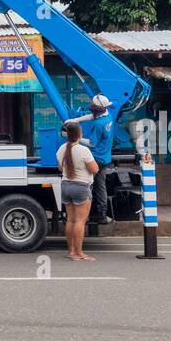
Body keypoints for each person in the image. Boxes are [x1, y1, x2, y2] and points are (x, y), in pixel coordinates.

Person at [56, 120, 99, 262]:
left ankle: (71, 251)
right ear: (79, 134)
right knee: (80, 221)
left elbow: (61, 168)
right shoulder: (83, 150)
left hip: (65, 186)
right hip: (81, 187)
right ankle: (79, 253)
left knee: (71, 220)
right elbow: (94, 169)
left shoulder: (61, 149)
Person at [73, 93, 114, 225]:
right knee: (100, 187)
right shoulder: (108, 116)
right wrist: (77, 120)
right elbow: (92, 116)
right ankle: (101, 214)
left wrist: (76, 138)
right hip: (105, 158)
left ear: (97, 107)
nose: (91, 105)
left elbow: (92, 143)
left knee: (86, 186)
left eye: (93, 104)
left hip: (95, 159)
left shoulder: (98, 124)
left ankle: (88, 214)